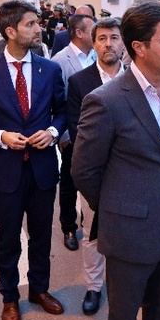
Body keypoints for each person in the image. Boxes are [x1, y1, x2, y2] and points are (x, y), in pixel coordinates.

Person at [71, 2, 160, 320]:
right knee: (123, 319)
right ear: (138, 47)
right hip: (128, 234)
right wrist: (119, 208)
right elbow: (84, 170)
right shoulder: (106, 101)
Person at [0, 0, 67, 320]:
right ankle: (9, 297)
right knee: (8, 237)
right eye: (31, 24)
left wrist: (52, 132)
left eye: (38, 24)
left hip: (42, 170)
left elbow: (64, 112)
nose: (39, 29)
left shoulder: (49, 70)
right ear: (11, 31)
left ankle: (39, 289)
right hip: (7, 172)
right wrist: (1, 136)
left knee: (40, 235)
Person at [67, 17, 125, 315]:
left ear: (123, 42)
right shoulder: (80, 82)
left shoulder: (137, 79)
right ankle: (93, 285)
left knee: (127, 230)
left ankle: (125, 283)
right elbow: (78, 131)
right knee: (92, 232)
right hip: (97, 173)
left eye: (114, 38)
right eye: (101, 38)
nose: (108, 44)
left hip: (130, 174)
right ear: (94, 42)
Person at [51, 13, 96, 251]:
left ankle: (88, 221)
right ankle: (68, 226)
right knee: (69, 183)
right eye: (93, 30)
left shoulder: (98, 55)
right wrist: (65, 137)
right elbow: (59, 103)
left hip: (98, 137)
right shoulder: (60, 60)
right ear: (79, 33)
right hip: (73, 136)